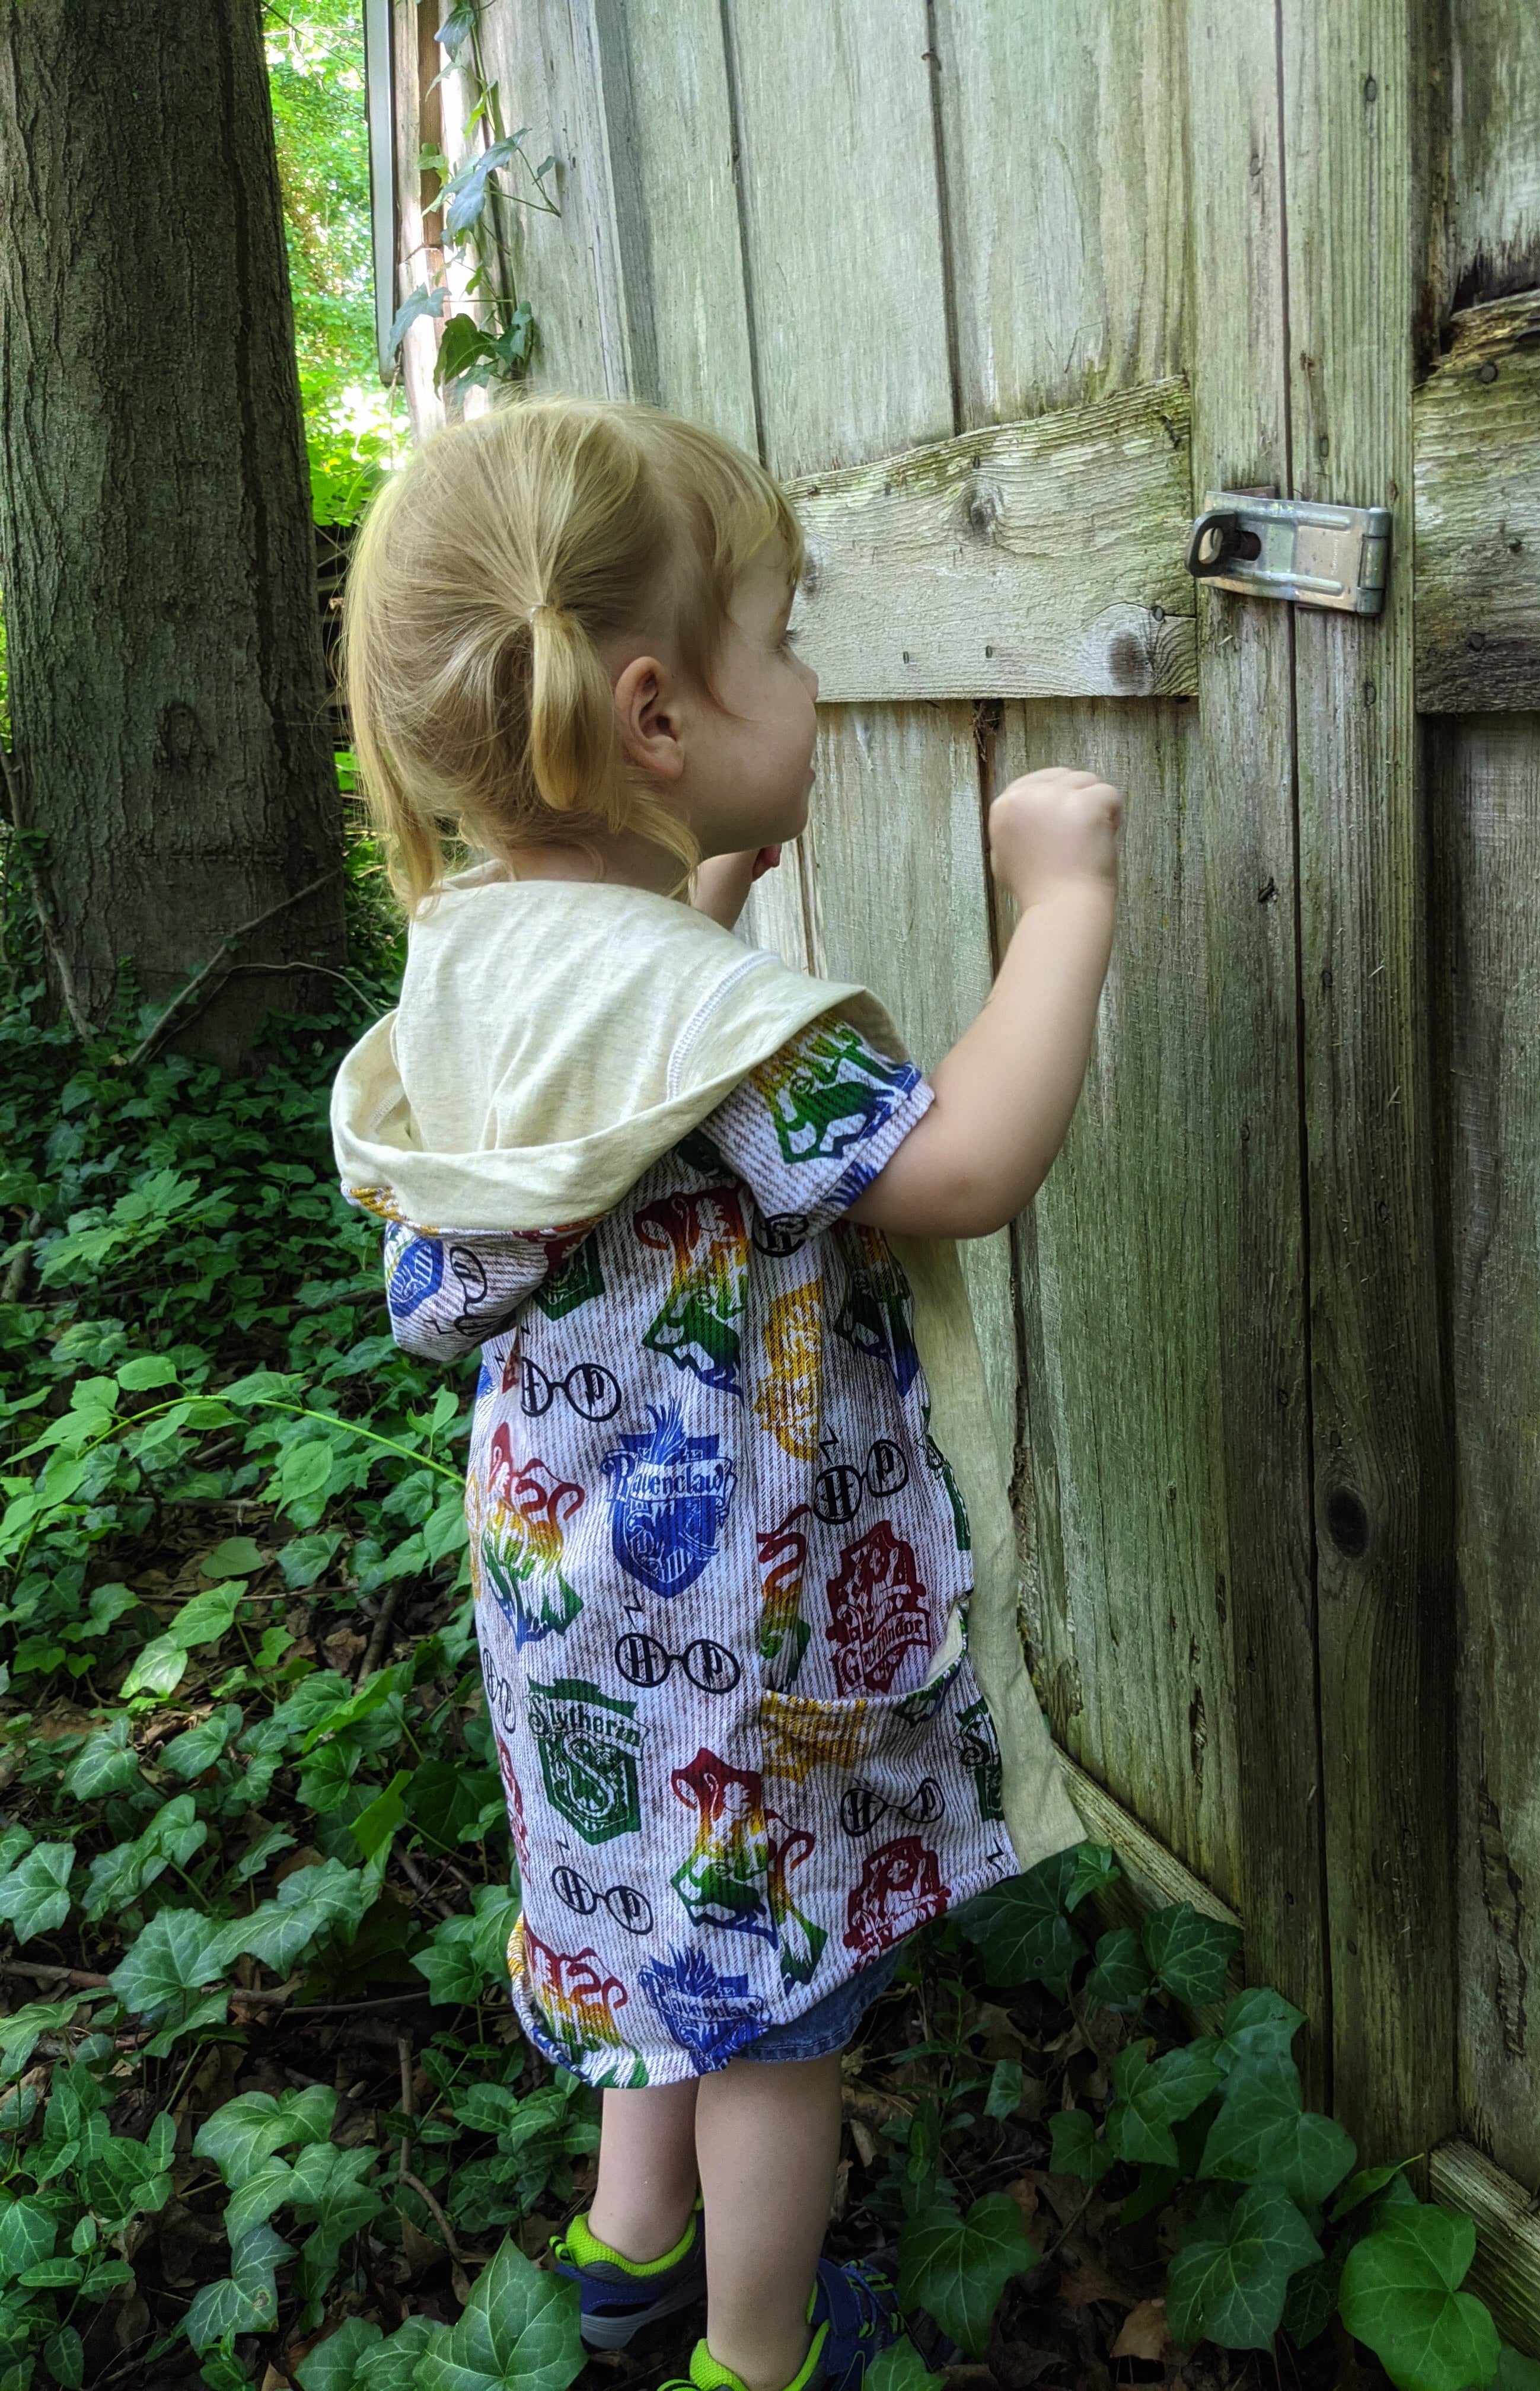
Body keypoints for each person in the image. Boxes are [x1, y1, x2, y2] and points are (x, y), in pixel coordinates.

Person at [331, 398, 1120, 2391]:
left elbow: (623, 1095)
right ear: (658, 717)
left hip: (571, 1597)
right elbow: (959, 1167)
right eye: (784, 640)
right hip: (734, 1627)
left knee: (645, 1919)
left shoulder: (484, 960)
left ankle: (628, 2254)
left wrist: (710, 901)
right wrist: (1064, 906)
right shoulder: (718, 1028)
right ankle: (759, 2358)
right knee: (776, 1995)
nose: (816, 678)